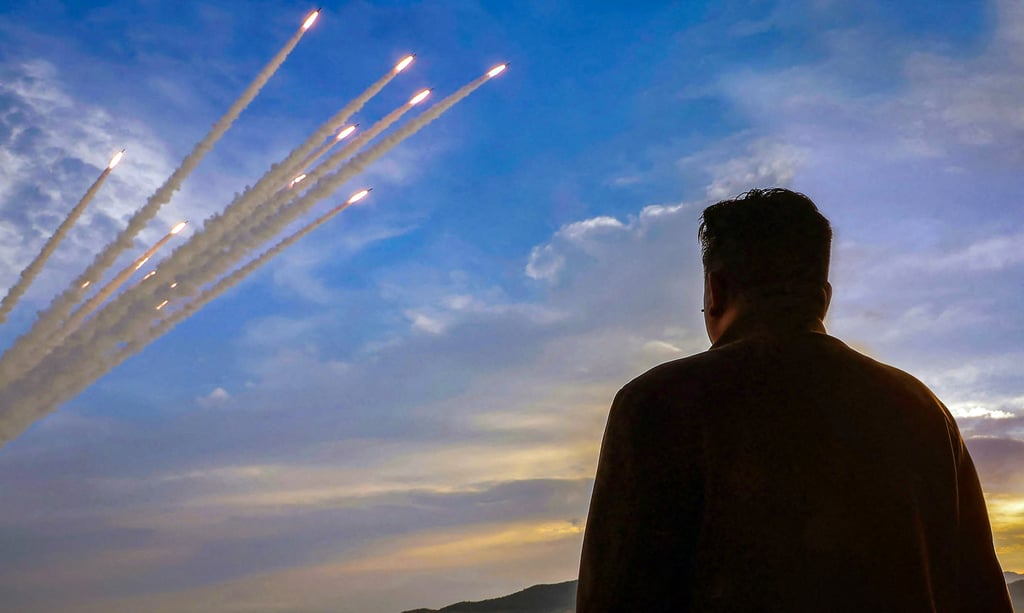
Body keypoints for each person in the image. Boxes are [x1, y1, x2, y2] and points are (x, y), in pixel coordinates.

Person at [576, 189, 1012, 612]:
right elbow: (982, 594)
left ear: (715, 290)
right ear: (823, 295)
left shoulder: (658, 404)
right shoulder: (922, 411)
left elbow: (614, 598)